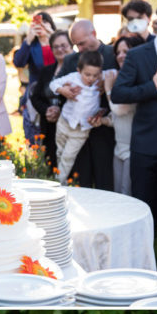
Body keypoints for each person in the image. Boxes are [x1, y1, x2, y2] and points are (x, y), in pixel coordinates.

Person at [110, 0, 157, 274]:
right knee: (142, 206)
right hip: (147, 142)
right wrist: (153, 87)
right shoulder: (139, 55)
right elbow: (119, 93)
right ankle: (141, 263)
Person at [50, 49, 107, 187]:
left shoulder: (100, 80)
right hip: (65, 122)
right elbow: (53, 84)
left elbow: (114, 74)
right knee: (60, 152)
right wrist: (62, 90)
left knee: (69, 156)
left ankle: (58, 184)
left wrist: (105, 83)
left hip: (81, 129)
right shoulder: (73, 77)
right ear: (79, 70)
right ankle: (59, 177)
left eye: (95, 75)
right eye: (87, 74)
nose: (91, 78)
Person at [105, 34, 144, 195]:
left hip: (132, 149)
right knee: (117, 192)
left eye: (126, 51)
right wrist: (103, 120)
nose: (121, 55)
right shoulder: (119, 77)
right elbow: (117, 118)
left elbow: (120, 109)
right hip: (118, 146)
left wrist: (108, 88)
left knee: (126, 193)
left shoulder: (137, 79)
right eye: (118, 52)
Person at [29, 29, 72, 175]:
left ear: (71, 46)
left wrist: (59, 110)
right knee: (50, 165)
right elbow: (35, 96)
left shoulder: (77, 70)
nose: (60, 49)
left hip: (68, 126)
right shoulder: (46, 71)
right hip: (48, 125)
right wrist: (47, 110)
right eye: (56, 46)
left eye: (64, 45)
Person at [13, 11, 55, 144]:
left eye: (45, 22)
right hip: (36, 98)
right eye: (38, 23)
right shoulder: (32, 46)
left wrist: (52, 35)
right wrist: (28, 39)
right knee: (35, 141)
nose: (41, 26)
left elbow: (68, 58)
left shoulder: (58, 43)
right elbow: (18, 62)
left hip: (57, 95)